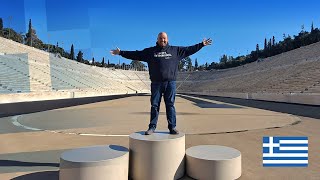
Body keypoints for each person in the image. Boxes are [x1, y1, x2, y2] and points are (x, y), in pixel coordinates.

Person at [110, 32, 212, 135]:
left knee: (170, 105)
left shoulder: (176, 50)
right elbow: (136, 54)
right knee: (154, 105)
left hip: (170, 83)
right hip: (156, 83)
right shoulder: (150, 51)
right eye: (160, 38)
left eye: (164, 38)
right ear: (157, 39)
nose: (162, 40)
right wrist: (121, 52)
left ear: (167, 39)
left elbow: (190, 49)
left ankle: (172, 127)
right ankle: (152, 127)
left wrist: (201, 44)